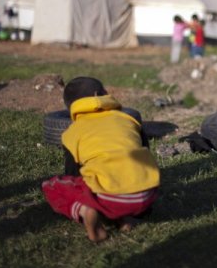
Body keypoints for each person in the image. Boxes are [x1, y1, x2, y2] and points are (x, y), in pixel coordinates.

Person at [41, 77, 160, 243]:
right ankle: (124, 218)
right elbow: (146, 153)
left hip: (110, 197)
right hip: (146, 195)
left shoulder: (72, 133)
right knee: (122, 179)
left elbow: (73, 175)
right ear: (99, 95)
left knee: (53, 186)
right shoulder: (129, 120)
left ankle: (86, 210)